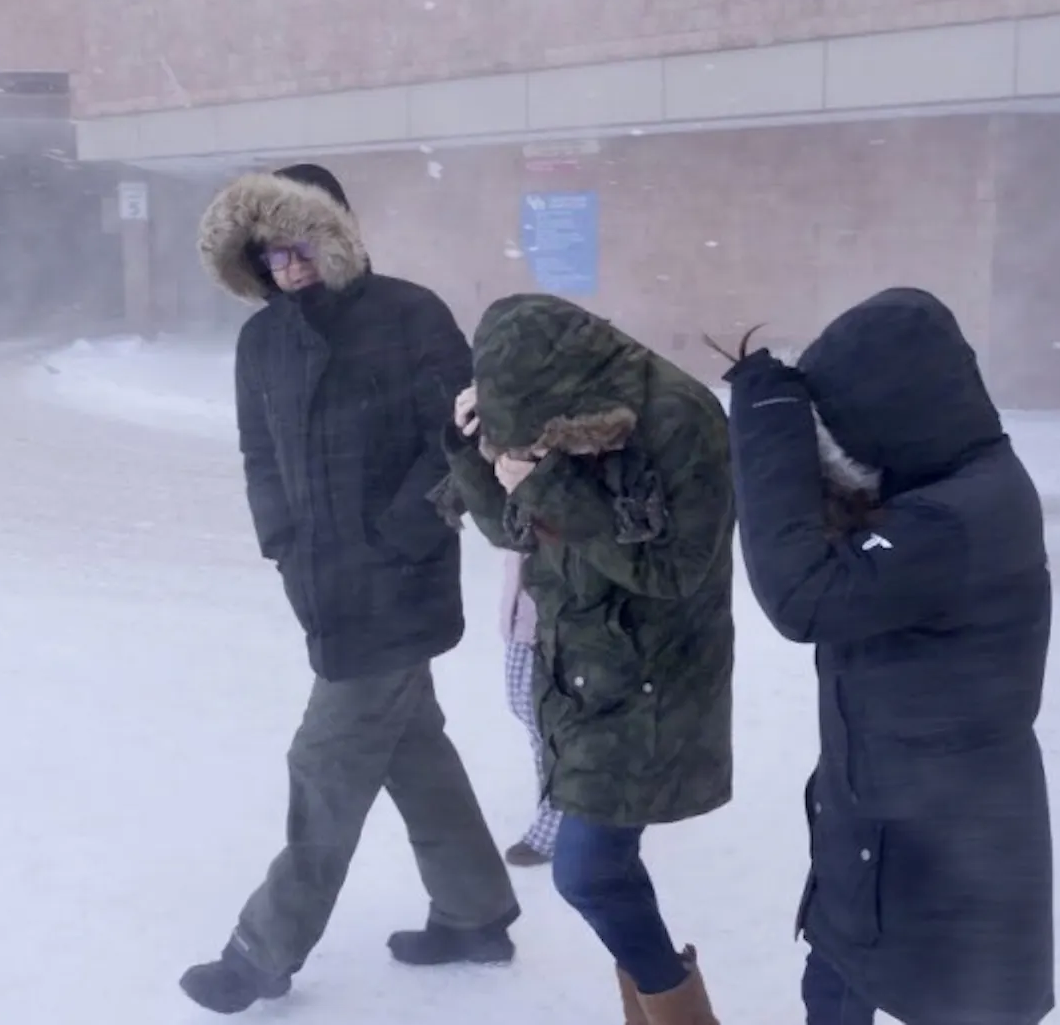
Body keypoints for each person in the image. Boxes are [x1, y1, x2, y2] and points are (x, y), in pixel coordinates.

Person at [179, 163, 519, 1015]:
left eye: (297, 249)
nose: (286, 269)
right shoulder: (262, 342)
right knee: (413, 749)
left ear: (333, 236)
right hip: (322, 583)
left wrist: (395, 536)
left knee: (325, 762)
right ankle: (475, 911)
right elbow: (260, 454)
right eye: (269, 256)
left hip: (399, 583)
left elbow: (462, 443)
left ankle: (263, 949)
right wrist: (284, 544)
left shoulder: (411, 316)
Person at [721, 286, 1055, 1025]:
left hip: (950, 848)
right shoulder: (946, 485)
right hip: (883, 825)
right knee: (835, 990)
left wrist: (769, 420)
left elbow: (803, 597)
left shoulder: (958, 516)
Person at [433, 294, 734, 1025]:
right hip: (573, 667)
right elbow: (512, 532)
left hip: (657, 676)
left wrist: (544, 483)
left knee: (587, 871)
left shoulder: (680, 417)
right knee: (608, 871)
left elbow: (675, 569)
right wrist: (472, 451)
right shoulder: (542, 415)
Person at [499, 549, 566, 867]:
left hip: (555, 625)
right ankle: (555, 809)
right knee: (526, 709)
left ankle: (558, 822)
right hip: (523, 619)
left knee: (552, 728)